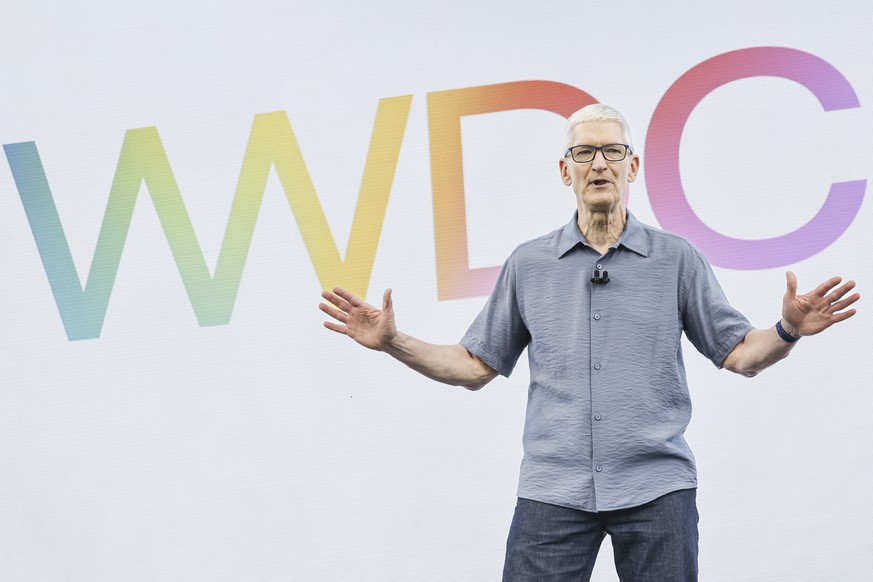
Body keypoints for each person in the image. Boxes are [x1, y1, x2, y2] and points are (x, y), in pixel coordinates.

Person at [318, 104, 860, 581]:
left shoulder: (677, 259)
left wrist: (787, 330)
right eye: (583, 153)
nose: (598, 163)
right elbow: (473, 365)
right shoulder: (529, 264)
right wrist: (393, 341)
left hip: (656, 487)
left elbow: (740, 354)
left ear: (632, 167)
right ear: (565, 171)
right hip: (552, 491)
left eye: (611, 151)